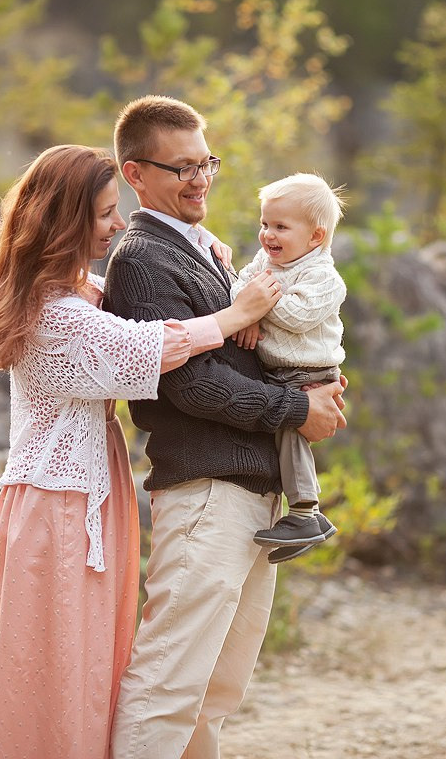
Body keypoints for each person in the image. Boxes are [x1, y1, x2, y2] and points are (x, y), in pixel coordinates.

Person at [0, 144, 285, 759]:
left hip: (85, 501)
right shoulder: (54, 315)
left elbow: (148, 300)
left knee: (88, 666)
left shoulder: (74, 292)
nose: (116, 225)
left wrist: (210, 253)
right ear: (64, 219)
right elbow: (148, 345)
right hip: (56, 508)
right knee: (53, 669)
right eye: (105, 214)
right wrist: (236, 311)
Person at [103, 95, 347, 759]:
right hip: (206, 495)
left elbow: (253, 353)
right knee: (169, 686)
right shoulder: (143, 259)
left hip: (253, 496)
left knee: (217, 692)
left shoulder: (211, 253)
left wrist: (314, 387)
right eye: (179, 167)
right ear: (136, 174)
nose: (199, 179)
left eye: (205, 162)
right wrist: (299, 411)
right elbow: (191, 383)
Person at [231, 172, 347, 558]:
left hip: (309, 371)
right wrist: (245, 312)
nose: (268, 235)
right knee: (279, 432)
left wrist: (255, 307)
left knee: (290, 427)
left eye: (281, 226)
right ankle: (313, 523)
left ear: (315, 236)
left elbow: (298, 315)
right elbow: (237, 287)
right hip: (279, 368)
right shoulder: (266, 261)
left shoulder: (324, 277)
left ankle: (304, 512)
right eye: (265, 224)